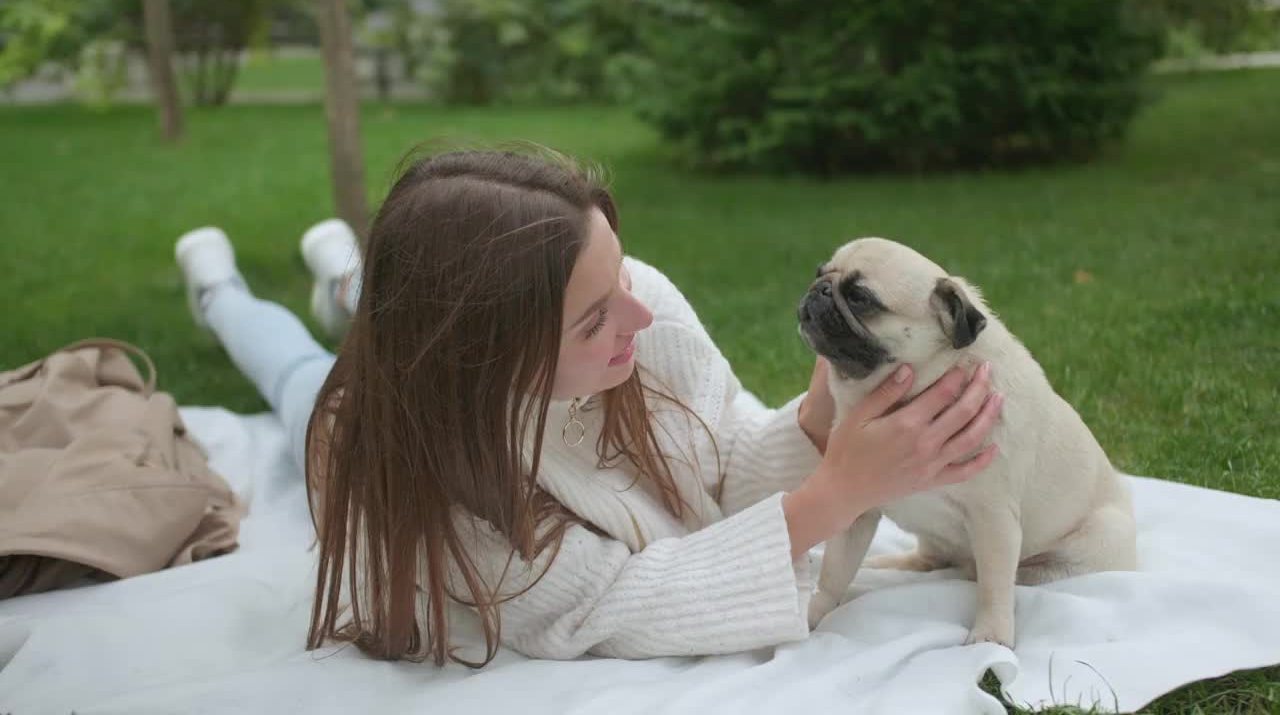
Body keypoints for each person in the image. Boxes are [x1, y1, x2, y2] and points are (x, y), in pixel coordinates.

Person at [174, 148, 1002, 667]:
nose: (639, 318)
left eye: (622, 282)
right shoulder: (450, 492)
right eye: (595, 318)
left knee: (377, 299)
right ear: (490, 359)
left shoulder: (632, 299)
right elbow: (614, 605)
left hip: (424, 327)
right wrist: (834, 499)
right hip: (352, 410)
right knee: (293, 373)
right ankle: (220, 295)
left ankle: (347, 272)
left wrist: (822, 421)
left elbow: (723, 457)